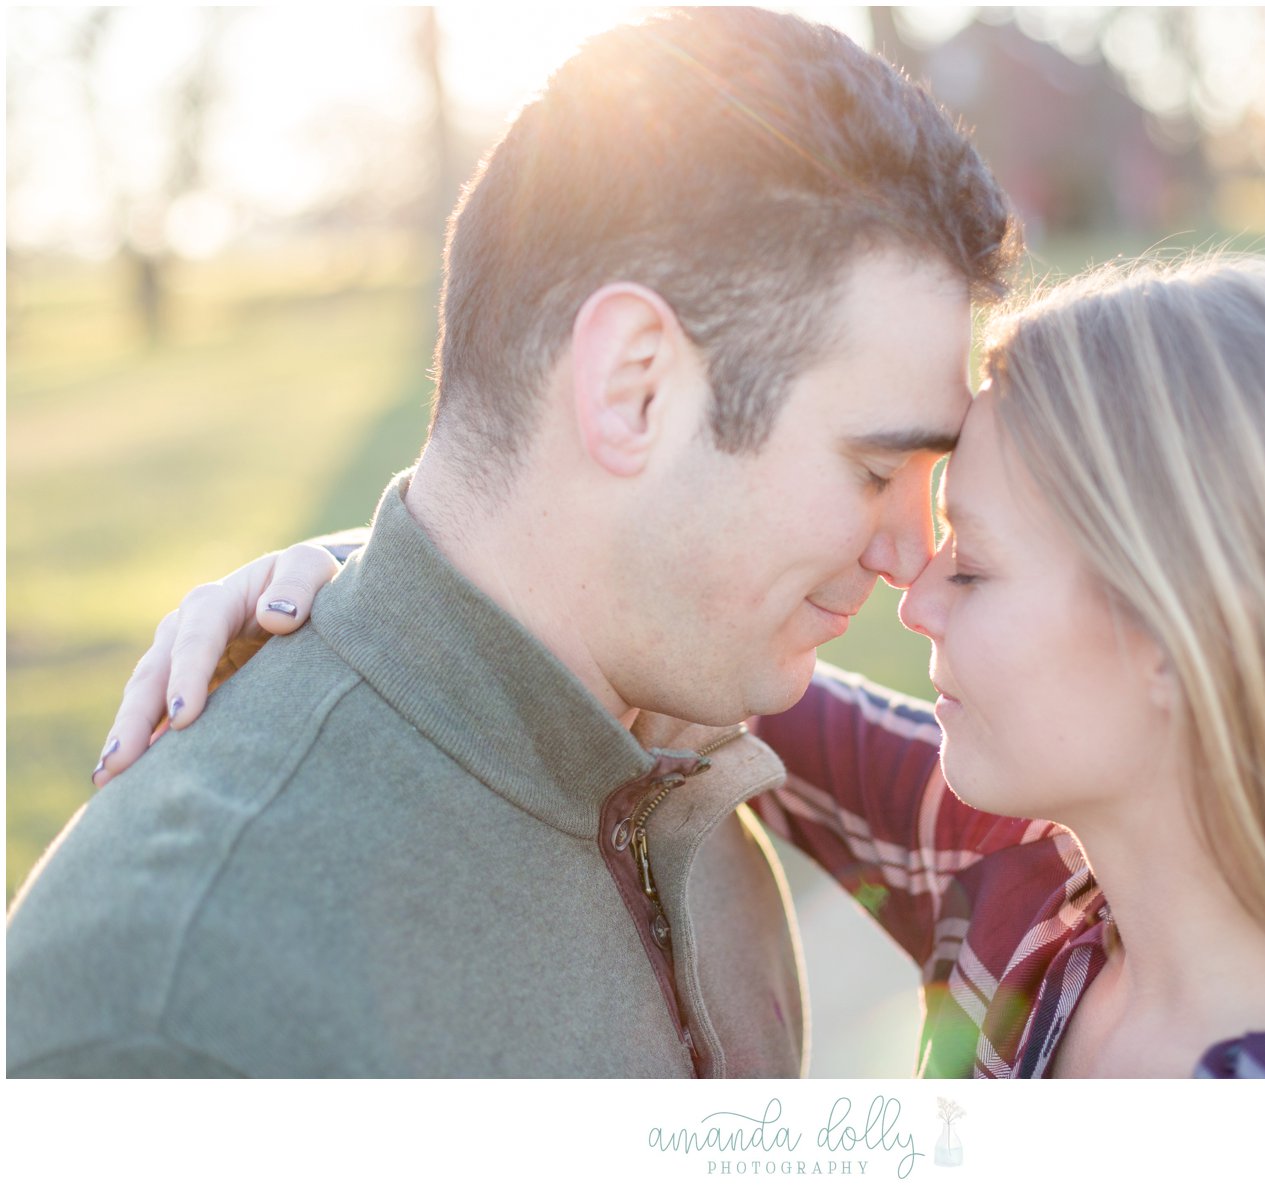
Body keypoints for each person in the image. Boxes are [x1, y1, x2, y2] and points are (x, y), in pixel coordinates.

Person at [77, 254, 1265, 1078]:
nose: (909, 603)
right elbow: (625, 644)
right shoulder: (1022, 885)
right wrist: (362, 566)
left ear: (1186, 635)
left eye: (968, 564)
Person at [4, 7, 1018, 1078]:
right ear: (631, 388)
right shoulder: (172, 1015)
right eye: (873, 470)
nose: (915, 553)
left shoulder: (698, 770)